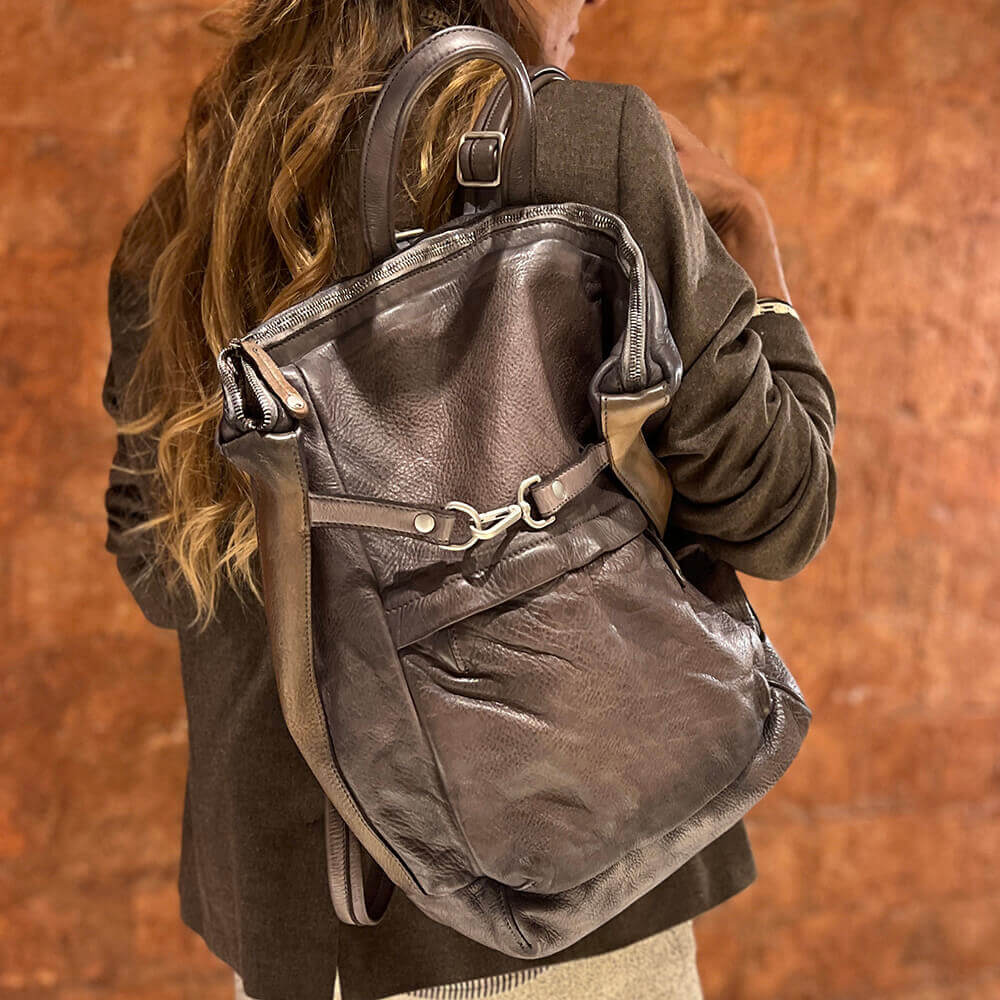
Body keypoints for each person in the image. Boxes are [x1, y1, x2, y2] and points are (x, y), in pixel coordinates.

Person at [101, 1, 837, 999]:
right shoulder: (584, 146)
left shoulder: (190, 213)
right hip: (572, 899)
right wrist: (748, 230)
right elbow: (783, 510)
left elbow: (158, 570)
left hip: (306, 930)